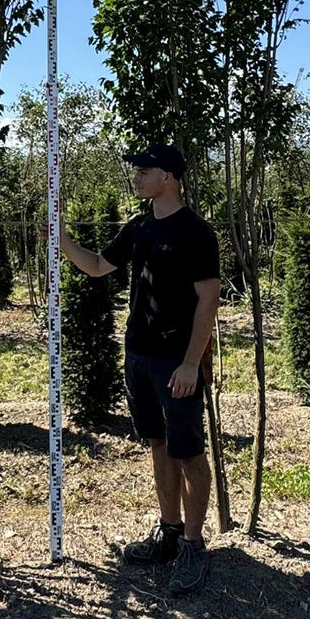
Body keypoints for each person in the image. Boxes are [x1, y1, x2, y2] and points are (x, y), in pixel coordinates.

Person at [59, 143, 220, 595]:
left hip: (177, 363)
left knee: (188, 453)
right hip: (140, 359)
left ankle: (193, 545)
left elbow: (208, 299)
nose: (136, 177)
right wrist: (63, 241)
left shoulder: (195, 233)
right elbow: (95, 267)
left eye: (143, 170)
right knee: (157, 444)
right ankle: (168, 533)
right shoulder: (139, 227)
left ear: (167, 177)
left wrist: (192, 363)